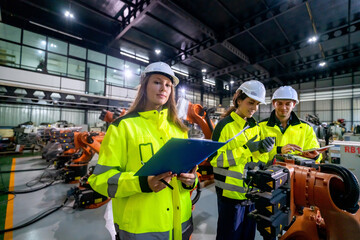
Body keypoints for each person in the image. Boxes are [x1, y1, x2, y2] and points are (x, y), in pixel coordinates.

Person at [88, 62, 198, 240]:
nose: (163, 88)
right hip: (141, 229)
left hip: (180, 225)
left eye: (168, 85)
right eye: (157, 82)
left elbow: (189, 173)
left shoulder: (179, 130)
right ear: (144, 86)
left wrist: (191, 180)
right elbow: (100, 180)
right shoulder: (122, 127)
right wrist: (142, 183)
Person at [209, 80, 275, 240]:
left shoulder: (255, 127)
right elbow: (215, 160)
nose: (254, 108)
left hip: (251, 194)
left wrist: (264, 150)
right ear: (239, 100)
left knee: (247, 236)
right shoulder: (225, 126)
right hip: (230, 197)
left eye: (257, 104)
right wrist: (246, 148)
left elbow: (260, 161)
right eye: (250, 102)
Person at [259, 86, 322, 162]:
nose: (283, 107)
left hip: (297, 172)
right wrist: (279, 150)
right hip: (268, 172)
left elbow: (316, 156)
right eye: (280, 103)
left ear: (294, 104)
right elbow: (255, 155)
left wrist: (314, 156)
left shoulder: (306, 128)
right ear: (273, 103)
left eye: (288, 104)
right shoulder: (260, 127)